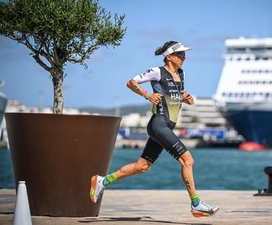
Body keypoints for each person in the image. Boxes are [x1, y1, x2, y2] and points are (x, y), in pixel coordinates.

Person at [90, 41, 219, 218]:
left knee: (142, 166)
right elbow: (131, 82)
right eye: (180, 55)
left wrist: (185, 97)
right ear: (169, 57)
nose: (184, 58)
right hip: (159, 124)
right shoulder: (157, 72)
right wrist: (147, 95)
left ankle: (102, 181)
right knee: (187, 160)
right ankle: (196, 204)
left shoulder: (181, 73)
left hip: (167, 126)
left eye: (184, 54)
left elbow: (175, 94)